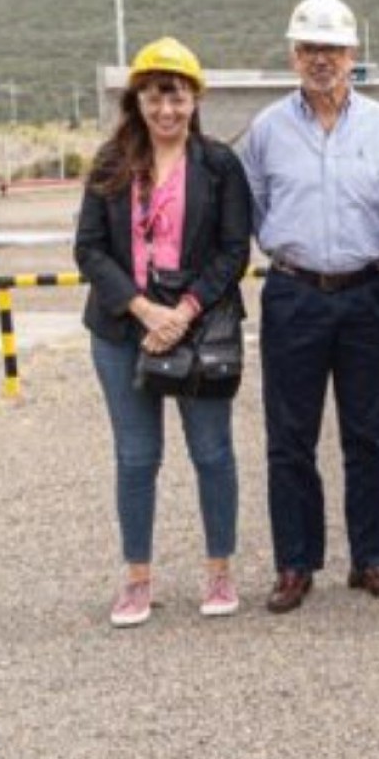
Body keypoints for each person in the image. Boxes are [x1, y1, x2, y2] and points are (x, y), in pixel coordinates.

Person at [241, 0, 379, 613]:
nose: (322, 60)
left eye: (333, 49)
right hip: (293, 292)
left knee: (370, 434)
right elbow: (256, 209)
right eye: (311, 48)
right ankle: (295, 563)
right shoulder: (265, 130)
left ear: (353, 54)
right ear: (294, 55)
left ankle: (373, 558)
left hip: (367, 291)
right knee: (290, 438)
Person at [74, 38, 252, 627]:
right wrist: (144, 310)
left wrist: (186, 310)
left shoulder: (220, 165)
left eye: (175, 96)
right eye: (153, 96)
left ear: (194, 98)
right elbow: (90, 249)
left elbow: (233, 250)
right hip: (122, 329)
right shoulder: (110, 163)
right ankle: (136, 579)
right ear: (137, 101)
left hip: (201, 330)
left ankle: (220, 571)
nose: (165, 109)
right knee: (136, 455)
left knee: (212, 451)